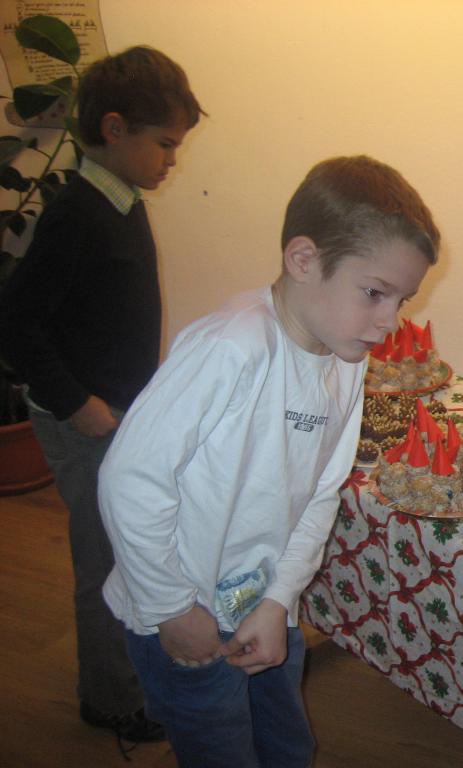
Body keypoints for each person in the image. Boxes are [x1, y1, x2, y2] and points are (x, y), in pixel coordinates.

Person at [97, 155, 440, 767]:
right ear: (303, 260)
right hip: (180, 614)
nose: (390, 322)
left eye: (402, 300)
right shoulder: (232, 348)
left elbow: (321, 493)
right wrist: (172, 609)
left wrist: (280, 598)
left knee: (286, 746)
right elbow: (130, 480)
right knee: (220, 751)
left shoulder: (345, 361)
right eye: (375, 293)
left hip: (261, 607)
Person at [0, 46, 203, 743]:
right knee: (105, 561)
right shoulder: (76, 215)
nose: (172, 161)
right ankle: (110, 700)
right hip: (85, 422)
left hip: (120, 414)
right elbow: (16, 323)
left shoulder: (121, 200)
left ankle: (135, 670)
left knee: (135, 546)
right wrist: (76, 403)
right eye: (164, 145)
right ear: (114, 129)